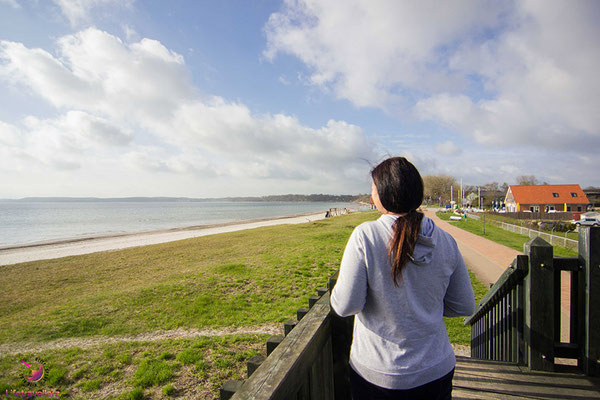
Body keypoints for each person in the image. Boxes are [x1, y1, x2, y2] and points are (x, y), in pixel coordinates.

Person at [330, 157, 475, 399]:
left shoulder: (366, 235)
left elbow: (346, 306)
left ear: (384, 193)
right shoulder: (445, 240)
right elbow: (463, 304)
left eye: (373, 190)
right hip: (436, 370)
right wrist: (424, 309)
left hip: (380, 374)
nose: (370, 197)